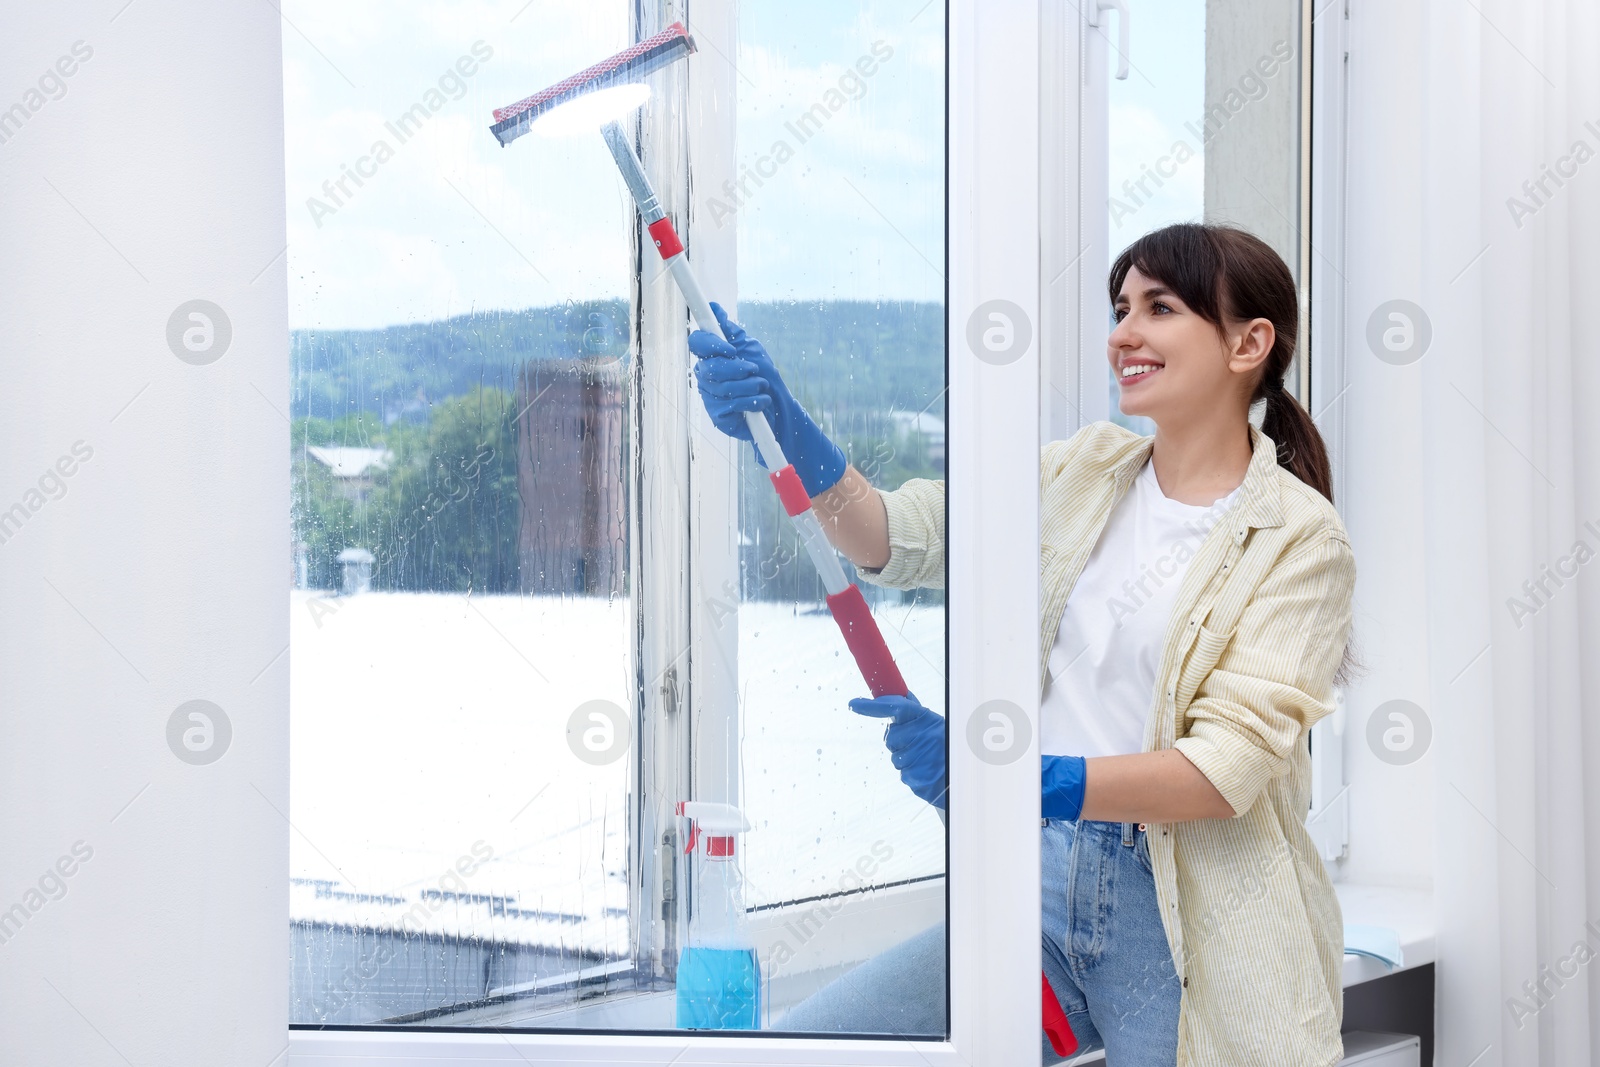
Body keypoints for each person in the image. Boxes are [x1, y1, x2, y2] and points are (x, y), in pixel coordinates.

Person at [688, 222, 1357, 1067]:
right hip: (1038, 887)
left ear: (1248, 342)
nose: (1124, 333)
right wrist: (785, 429)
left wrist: (1010, 780)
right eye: (1120, 308)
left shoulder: (1301, 538)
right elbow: (899, 535)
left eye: (1160, 307)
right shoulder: (1082, 470)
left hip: (1191, 916)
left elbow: (1226, 767)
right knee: (811, 1049)